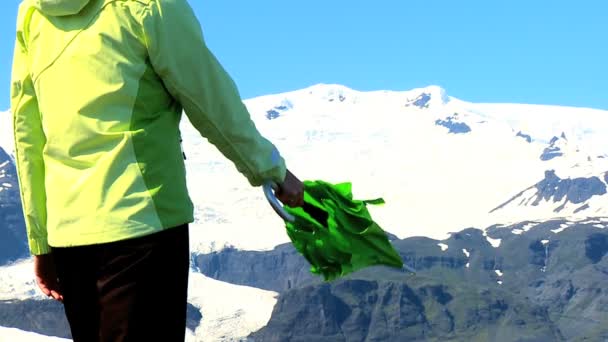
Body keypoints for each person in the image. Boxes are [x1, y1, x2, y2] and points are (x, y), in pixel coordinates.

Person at [10, 0, 304, 340]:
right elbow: (209, 97)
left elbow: (27, 133)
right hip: (142, 222)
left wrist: (41, 243)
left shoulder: (33, 12)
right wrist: (270, 169)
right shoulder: (147, 5)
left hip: (68, 238)